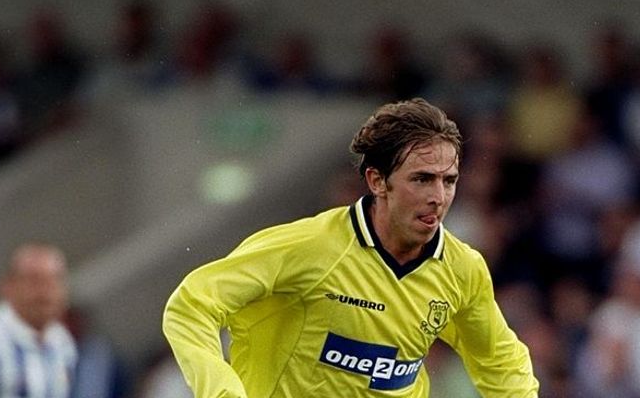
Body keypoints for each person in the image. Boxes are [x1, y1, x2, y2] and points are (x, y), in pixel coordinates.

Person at [162, 98, 539, 397]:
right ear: (377, 180)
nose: (439, 197)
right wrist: (222, 392)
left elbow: (500, 363)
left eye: (449, 180)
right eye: (422, 179)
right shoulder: (309, 246)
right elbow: (191, 304)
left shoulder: (462, 268)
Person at [0, 243, 77, 397]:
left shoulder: (62, 342)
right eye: (35, 281)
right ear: (7, 286)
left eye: (54, 281)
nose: (45, 292)